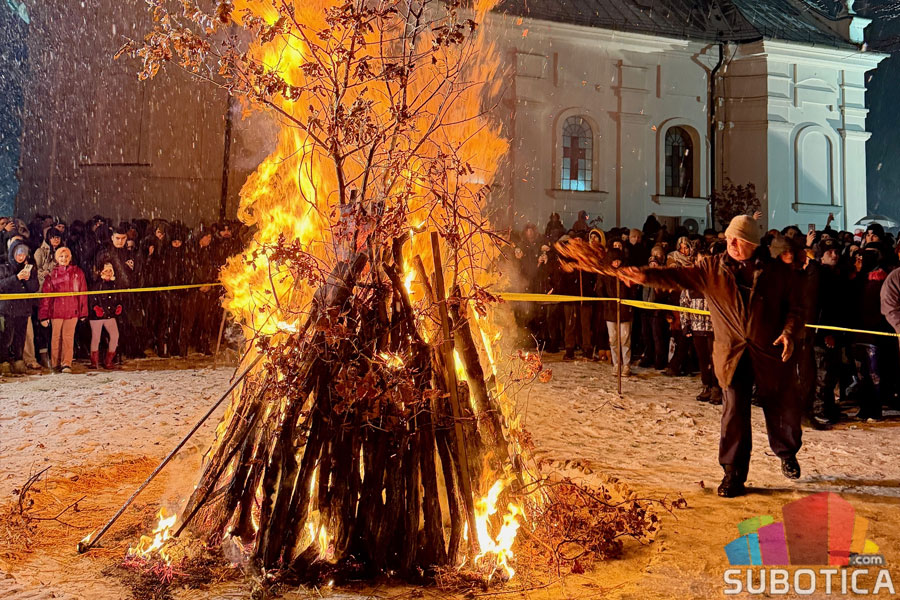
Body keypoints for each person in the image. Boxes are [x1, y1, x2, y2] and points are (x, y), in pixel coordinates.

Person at [609, 215, 803, 498]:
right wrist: (645, 275)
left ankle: (787, 452)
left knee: (780, 406)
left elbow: (796, 308)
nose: (731, 243)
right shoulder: (713, 269)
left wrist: (789, 332)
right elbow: (678, 277)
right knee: (734, 412)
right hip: (731, 353)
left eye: (739, 239)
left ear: (753, 243)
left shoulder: (775, 272)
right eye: (730, 237)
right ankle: (733, 473)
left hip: (769, 351)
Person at [38, 247, 89, 373]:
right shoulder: (51, 275)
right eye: (61, 256)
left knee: (68, 337)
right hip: (56, 312)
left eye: (66, 256)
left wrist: (83, 312)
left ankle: (66, 363)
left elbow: (83, 293)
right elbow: (46, 297)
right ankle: (55, 363)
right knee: (56, 338)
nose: (64, 259)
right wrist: (43, 315)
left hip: (72, 311)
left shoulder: (78, 273)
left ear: (70, 258)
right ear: (57, 258)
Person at [0, 241, 39, 374]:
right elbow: (1, 286)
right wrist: (16, 278)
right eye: (18, 254)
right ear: (12, 254)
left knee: (20, 338)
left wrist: (27, 279)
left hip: (23, 309)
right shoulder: (4, 268)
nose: (21, 257)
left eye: (23, 254)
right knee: (6, 337)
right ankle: (4, 362)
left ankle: (19, 361)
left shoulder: (30, 268)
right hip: (7, 310)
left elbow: (34, 288)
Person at [596, 248, 635, 376]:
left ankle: (626, 365)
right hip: (610, 311)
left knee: (625, 339)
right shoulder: (605, 274)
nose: (617, 263)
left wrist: (629, 304)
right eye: (614, 261)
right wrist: (607, 303)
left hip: (624, 310)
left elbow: (632, 290)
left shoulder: (626, 272)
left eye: (618, 260)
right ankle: (616, 363)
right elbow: (600, 290)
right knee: (613, 339)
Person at [88, 262, 123, 369]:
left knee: (115, 335)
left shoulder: (115, 285)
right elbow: (91, 298)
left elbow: (118, 298)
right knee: (96, 338)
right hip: (97, 317)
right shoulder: (96, 285)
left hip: (109, 315)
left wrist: (118, 306)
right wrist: (96, 308)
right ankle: (94, 362)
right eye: (106, 270)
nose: (108, 273)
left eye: (110, 271)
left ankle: (108, 360)